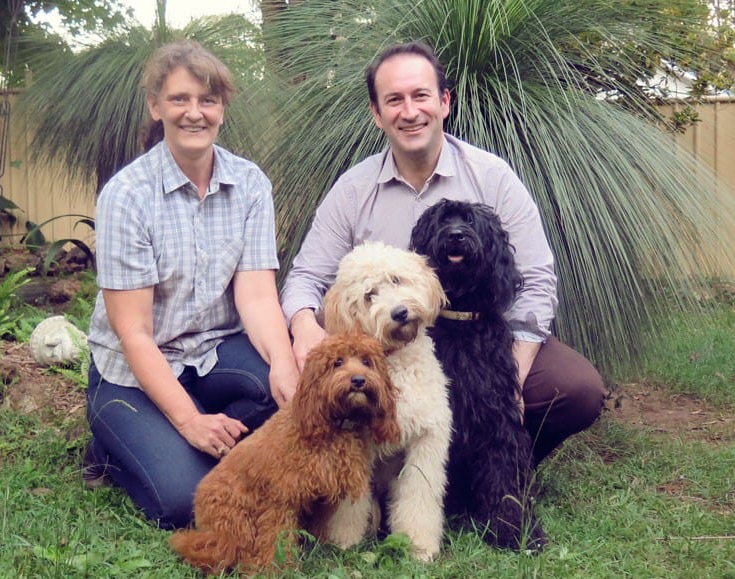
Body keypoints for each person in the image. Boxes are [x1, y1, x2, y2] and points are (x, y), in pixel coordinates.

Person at [280, 41, 605, 465]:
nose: (410, 111)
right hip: (389, 349)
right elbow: (306, 276)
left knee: (576, 389)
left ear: (444, 101)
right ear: (376, 114)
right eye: (394, 100)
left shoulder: (493, 177)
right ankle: (381, 473)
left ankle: (502, 468)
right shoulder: (353, 190)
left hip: (479, 341)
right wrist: (305, 328)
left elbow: (537, 279)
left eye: (420, 96)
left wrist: (513, 374)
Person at [83, 40, 299, 529]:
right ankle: (113, 443)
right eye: (180, 99)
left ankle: (182, 428)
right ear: (155, 106)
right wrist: (190, 422)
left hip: (213, 353)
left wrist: (285, 363)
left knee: (281, 395)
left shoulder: (249, 184)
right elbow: (134, 333)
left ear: (222, 107)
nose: (194, 113)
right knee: (186, 502)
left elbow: (258, 295)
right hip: (133, 369)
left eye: (207, 100)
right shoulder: (127, 196)